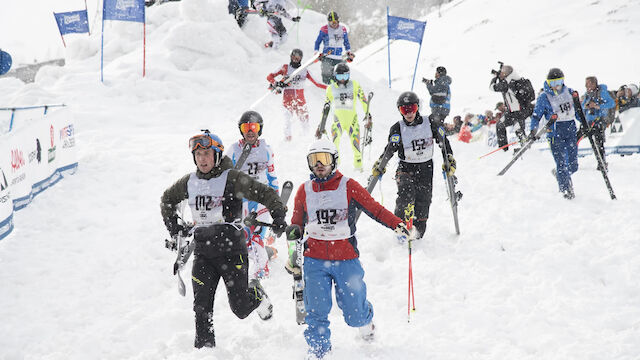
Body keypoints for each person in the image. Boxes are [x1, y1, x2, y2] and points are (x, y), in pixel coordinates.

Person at [160, 130, 288, 348]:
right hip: (203, 254)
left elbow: (265, 193)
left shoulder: (232, 178)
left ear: (217, 155)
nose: (202, 159)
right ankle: (205, 351)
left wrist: (277, 214)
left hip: (231, 252)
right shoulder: (189, 182)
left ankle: (256, 293)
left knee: (240, 308)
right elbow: (167, 200)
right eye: (198, 154)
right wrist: (175, 229)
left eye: (207, 154)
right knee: (201, 308)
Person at [287, 138, 410, 359]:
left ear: (334, 160)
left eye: (324, 159)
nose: (319, 165)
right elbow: (296, 226)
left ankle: (366, 323)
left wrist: (396, 224)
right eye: (314, 160)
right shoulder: (304, 190)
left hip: (345, 257)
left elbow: (375, 209)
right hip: (314, 259)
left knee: (354, 312)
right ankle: (319, 350)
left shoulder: (348, 185)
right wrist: (292, 255)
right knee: (316, 309)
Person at [372, 91, 456, 240]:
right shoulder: (397, 128)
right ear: (399, 110)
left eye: (412, 108)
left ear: (418, 108)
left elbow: (443, 141)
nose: (409, 113)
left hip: (425, 169)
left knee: (423, 201)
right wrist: (381, 163)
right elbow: (391, 148)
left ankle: (418, 232)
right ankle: (400, 227)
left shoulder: (430, 122)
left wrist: (448, 158)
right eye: (404, 110)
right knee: (406, 193)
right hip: (406, 168)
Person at [227, 111, 279, 280]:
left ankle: (261, 270)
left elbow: (272, 176)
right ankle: (265, 252)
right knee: (245, 238)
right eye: (246, 127)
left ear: (260, 129)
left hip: (261, 199)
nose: (250, 131)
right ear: (241, 130)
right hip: (242, 199)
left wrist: (276, 200)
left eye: (254, 127)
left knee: (255, 232)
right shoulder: (234, 150)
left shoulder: (266, 150)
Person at [529, 68, 580, 200]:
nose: (556, 85)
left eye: (559, 81)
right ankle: (565, 190)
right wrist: (533, 130)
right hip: (555, 133)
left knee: (573, 165)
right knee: (562, 162)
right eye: (553, 83)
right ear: (548, 83)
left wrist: (585, 122)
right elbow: (536, 116)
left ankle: (560, 174)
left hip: (570, 130)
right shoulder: (544, 97)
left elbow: (578, 112)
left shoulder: (569, 92)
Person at [316, 62, 370, 171]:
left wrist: (368, 115)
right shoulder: (330, 89)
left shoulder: (354, 85)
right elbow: (325, 107)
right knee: (334, 144)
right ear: (335, 76)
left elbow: (364, 100)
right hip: (338, 122)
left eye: (345, 76)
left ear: (349, 75)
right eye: (340, 76)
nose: (342, 79)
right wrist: (321, 124)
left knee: (356, 145)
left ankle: (358, 166)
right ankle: (336, 166)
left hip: (352, 121)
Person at [267, 49, 327, 141]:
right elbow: (269, 76)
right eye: (293, 57)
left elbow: (317, 83)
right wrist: (276, 83)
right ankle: (287, 141)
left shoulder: (304, 70)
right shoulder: (285, 67)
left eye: (298, 57)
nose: (295, 59)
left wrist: (331, 87)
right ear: (290, 57)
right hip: (287, 100)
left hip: (300, 101)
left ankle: (305, 140)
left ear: (301, 58)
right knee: (287, 121)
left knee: (305, 122)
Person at [489, 64, 535, 150]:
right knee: (505, 126)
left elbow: (492, 87)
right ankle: (523, 146)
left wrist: (494, 78)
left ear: (507, 74)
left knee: (514, 128)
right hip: (518, 110)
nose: (502, 74)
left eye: (503, 73)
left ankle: (505, 148)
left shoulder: (507, 83)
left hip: (517, 111)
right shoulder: (516, 80)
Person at [579, 76, 615, 170]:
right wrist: (587, 105)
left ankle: (602, 163)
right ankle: (570, 161)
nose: (586, 86)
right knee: (576, 138)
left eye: (588, 83)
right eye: (586, 84)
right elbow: (582, 106)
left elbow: (612, 103)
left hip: (599, 120)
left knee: (599, 143)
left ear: (594, 84)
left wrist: (598, 106)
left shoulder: (602, 93)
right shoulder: (587, 94)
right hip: (588, 121)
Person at [314, 11, 355, 84]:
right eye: (331, 22)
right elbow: (317, 42)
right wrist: (316, 52)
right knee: (326, 76)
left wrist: (348, 51)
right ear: (328, 22)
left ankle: (340, 90)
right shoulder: (324, 29)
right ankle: (326, 90)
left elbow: (346, 42)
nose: (333, 24)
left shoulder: (343, 29)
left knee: (340, 76)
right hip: (327, 57)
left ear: (338, 21)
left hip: (338, 58)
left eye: (335, 22)